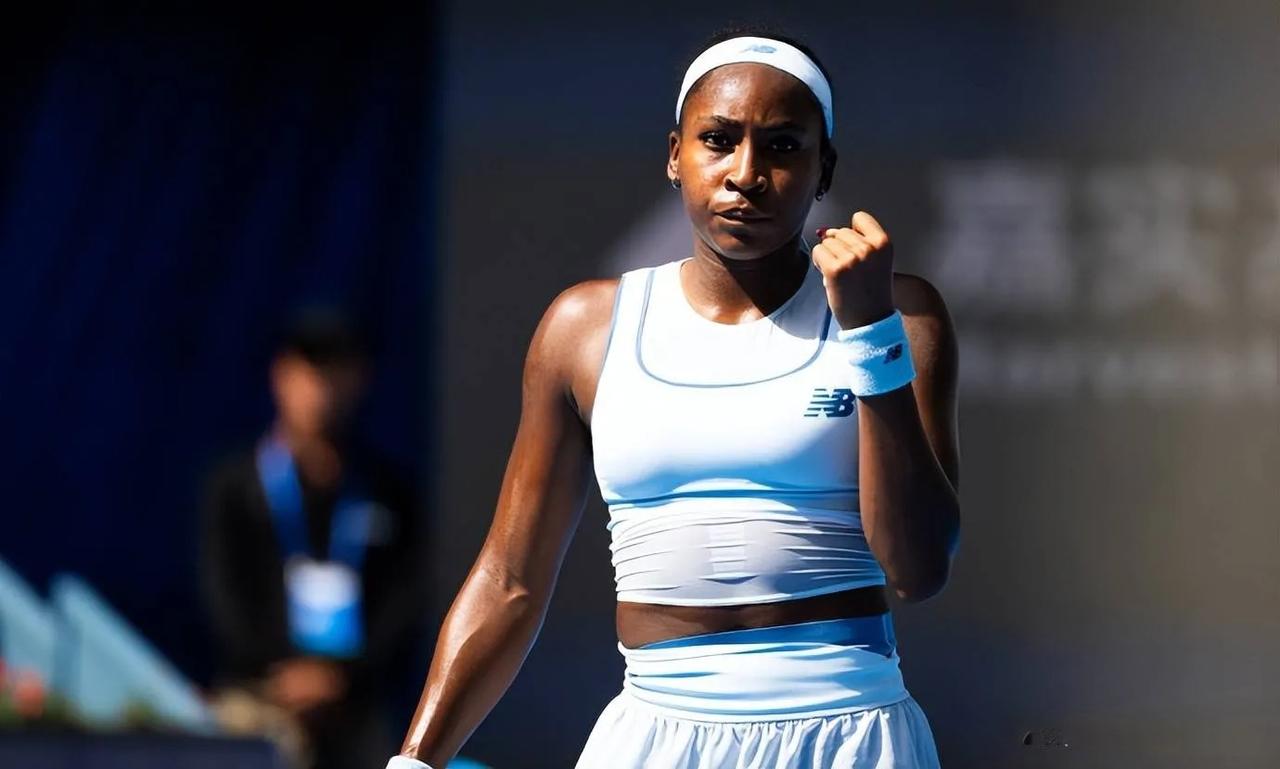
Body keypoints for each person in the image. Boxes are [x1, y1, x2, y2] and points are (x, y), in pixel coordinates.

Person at [389, 28, 960, 769]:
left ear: (824, 169)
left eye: (782, 146)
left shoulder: (901, 316)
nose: (745, 173)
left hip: (851, 732)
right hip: (654, 734)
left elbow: (918, 569)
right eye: (718, 140)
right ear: (673, 154)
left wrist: (869, 331)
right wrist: (414, 760)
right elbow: (509, 580)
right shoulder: (582, 329)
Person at [201, 310, 423, 769]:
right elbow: (225, 594)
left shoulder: (387, 491)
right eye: (309, 371)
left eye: (336, 371)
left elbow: (404, 600)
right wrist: (285, 672)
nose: (321, 388)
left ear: (360, 379)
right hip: (260, 695)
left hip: (355, 704)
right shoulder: (236, 487)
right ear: (280, 376)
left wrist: (340, 677)